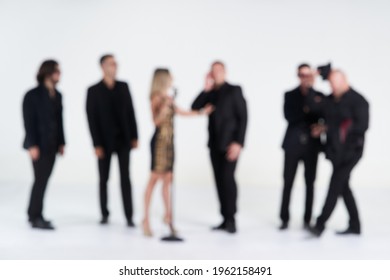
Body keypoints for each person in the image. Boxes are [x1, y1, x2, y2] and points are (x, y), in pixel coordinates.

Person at [142, 68, 213, 237]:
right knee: (154, 179)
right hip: (159, 143)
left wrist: (202, 112)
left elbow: (182, 112)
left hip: (169, 144)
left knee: (168, 180)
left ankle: (168, 216)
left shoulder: (169, 98)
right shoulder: (156, 98)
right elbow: (156, 121)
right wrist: (166, 106)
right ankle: (145, 219)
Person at [308, 70, 369, 237]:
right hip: (335, 152)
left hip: (351, 153)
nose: (332, 86)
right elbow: (315, 108)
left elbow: (361, 127)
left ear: (344, 81)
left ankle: (320, 225)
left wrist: (331, 127)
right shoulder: (331, 100)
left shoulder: (359, 100)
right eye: (330, 83)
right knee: (344, 188)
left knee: (335, 185)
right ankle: (355, 225)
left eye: (335, 82)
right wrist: (312, 81)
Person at [191, 61, 247, 234]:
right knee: (219, 181)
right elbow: (195, 107)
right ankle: (224, 218)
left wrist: (238, 143)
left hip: (230, 143)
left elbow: (243, 117)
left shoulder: (235, 90)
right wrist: (206, 88)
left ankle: (231, 219)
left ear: (225, 72)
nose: (216, 74)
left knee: (227, 178)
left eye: (219, 71)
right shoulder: (211, 93)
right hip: (214, 144)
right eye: (213, 71)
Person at [86, 54, 138, 227]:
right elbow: (91, 119)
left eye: (115, 64)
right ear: (102, 67)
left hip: (123, 140)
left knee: (125, 178)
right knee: (103, 179)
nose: (114, 67)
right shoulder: (93, 91)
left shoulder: (123, 87)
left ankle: (129, 216)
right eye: (110, 64)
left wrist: (134, 136)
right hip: (104, 142)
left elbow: (131, 112)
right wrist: (96, 144)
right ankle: (104, 214)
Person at [279, 63, 324, 230]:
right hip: (292, 145)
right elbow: (290, 116)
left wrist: (311, 94)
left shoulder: (318, 95)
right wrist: (308, 109)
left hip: (311, 147)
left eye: (308, 75)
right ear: (297, 76)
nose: (304, 78)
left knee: (310, 183)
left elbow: (321, 114)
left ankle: (307, 219)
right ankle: (284, 218)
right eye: (302, 75)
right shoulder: (290, 95)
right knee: (288, 182)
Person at [22, 60, 66, 230]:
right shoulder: (32, 95)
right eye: (57, 72)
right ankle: (35, 216)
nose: (59, 75)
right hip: (38, 145)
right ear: (48, 73)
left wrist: (62, 142)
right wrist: (32, 144)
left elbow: (60, 121)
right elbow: (28, 122)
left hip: (52, 145)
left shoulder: (57, 95)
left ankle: (35, 213)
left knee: (44, 180)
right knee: (40, 180)